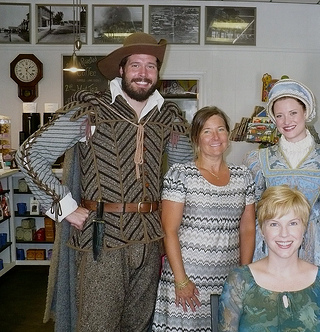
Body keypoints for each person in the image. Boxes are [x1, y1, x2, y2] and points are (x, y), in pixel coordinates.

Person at [15, 32, 192, 332]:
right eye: (135, 65)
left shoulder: (167, 118)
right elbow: (30, 154)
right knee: (98, 326)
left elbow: (185, 176)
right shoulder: (91, 111)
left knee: (139, 326)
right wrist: (66, 207)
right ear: (121, 69)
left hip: (150, 239)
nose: (143, 73)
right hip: (101, 238)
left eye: (151, 66)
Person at [151, 106, 256, 331]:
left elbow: (247, 229)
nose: (215, 137)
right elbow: (169, 231)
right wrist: (181, 280)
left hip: (227, 280)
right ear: (196, 138)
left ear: (228, 135)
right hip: (187, 279)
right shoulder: (180, 175)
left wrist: (243, 276)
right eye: (207, 131)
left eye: (220, 129)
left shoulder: (243, 176)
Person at [244, 78, 320, 276]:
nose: (286, 122)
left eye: (293, 113)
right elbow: (253, 211)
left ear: (306, 113)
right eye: (279, 116)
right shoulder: (258, 160)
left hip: (317, 244)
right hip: (274, 243)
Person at [219, 184, 320, 331]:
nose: (284, 233)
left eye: (293, 223)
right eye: (274, 224)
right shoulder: (239, 280)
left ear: (304, 227)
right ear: (262, 230)